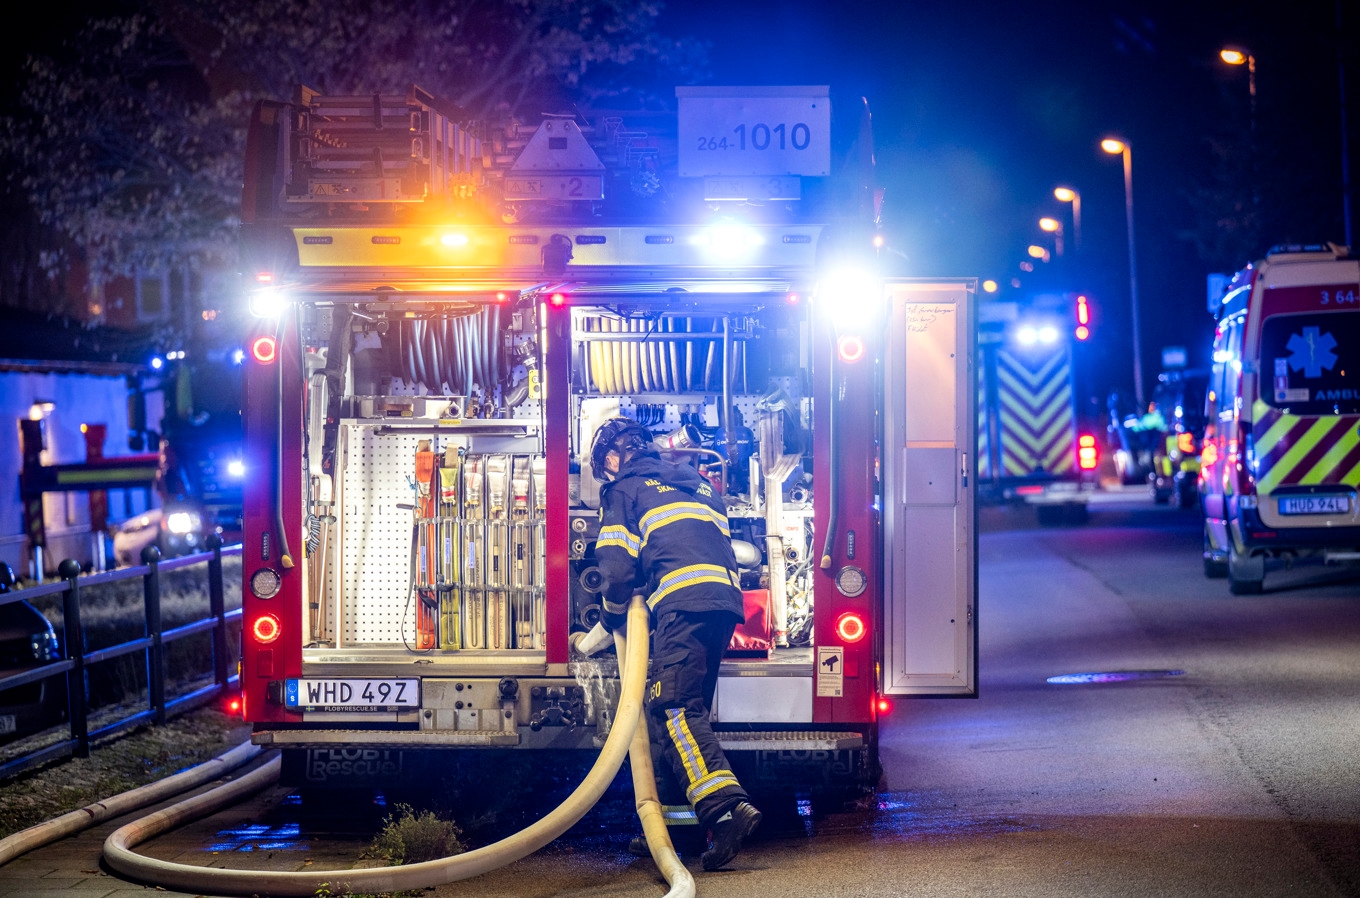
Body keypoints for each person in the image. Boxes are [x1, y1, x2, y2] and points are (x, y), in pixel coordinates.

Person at [590, 416, 762, 871]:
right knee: (676, 711)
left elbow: (618, 569)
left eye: (605, 465)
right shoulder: (698, 481)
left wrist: (609, 617)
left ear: (612, 457)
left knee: (673, 708)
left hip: (682, 607)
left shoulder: (624, 488)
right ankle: (673, 830)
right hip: (723, 605)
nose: (608, 473)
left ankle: (726, 811)